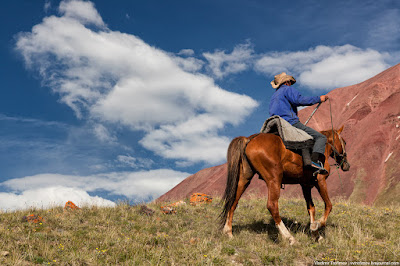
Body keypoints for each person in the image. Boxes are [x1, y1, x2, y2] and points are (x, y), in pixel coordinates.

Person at [269, 72, 329, 174]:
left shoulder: (274, 96)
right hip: (289, 122)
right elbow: (299, 100)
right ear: (287, 82)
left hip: (274, 124)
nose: (291, 84)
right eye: (290, 82)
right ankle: (314, 162)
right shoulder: (287, 89)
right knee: (321, 137)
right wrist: (319, 99)